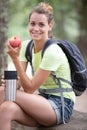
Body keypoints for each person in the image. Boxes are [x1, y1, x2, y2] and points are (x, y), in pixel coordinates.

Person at [0, 2, 75, 130]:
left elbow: (29, 88)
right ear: (28, 24)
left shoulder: (53, 51)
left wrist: (15, 59)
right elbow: (20, 84)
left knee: (4, 93)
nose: (35, 28)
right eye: (32, 23)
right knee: (6, 109)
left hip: (60, 105)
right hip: (41, 101)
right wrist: (10, 83)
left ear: (50, 26)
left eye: (41, 24)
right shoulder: (26, 46)